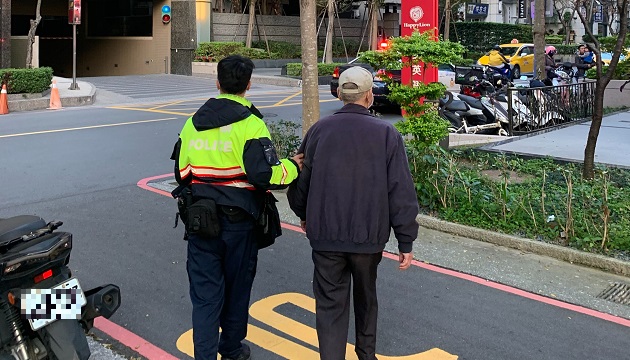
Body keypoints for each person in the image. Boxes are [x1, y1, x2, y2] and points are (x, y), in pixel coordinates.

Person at [170, 54, 304, 360]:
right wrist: (293, 167)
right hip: (238, 223)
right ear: (248, 85)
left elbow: (181, 173)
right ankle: (230, 349)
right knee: (237, 289)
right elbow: (265, 175)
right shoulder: (252, 125)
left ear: (217, 83)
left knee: (205, 296)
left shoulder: (192, 124)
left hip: (200, 220)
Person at [286, 66, 419, 360]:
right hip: (368, 238)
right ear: (369, 95)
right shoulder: (386, 134)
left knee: (330, 306)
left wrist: (304, 213)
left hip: (325, 237)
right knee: (366, 298)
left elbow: (302, 181)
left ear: (339, 94)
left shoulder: (319, 130)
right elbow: (400, 192)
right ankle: (365, 355)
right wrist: (405, 239)